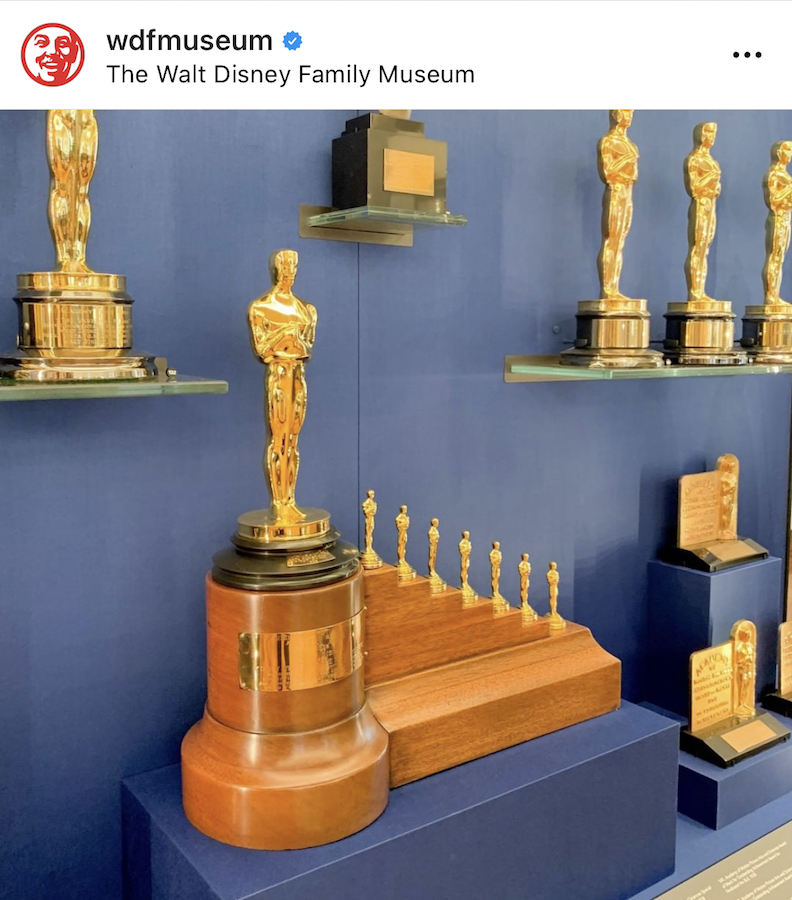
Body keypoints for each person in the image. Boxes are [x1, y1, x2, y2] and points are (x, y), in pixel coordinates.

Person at [247, 250, 316, 525]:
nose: (290, 271)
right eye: (285, 265)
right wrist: (287, 335)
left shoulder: (306, 310)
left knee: (293, 441)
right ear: (276, 268)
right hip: (278, 375)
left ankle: (290, 501)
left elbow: (307, 348)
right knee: (279, 440)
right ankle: (279, 503)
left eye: (294, 266)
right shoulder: (261, 308)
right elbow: (262, 348)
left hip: (297, 375)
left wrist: (290, 341)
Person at [597, 109, 639, 301]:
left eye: (631, 112)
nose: (628, 116)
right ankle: (607, 289)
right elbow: (607, 173)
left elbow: (634, 175)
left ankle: (614, 288)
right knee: (610, 239)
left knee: (619, 242)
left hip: (626, 192)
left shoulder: (631, 145)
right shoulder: (608, 141)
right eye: (625, 111)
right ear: (615, 114)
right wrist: (626, 161)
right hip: (615, 191)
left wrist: (627, 167)